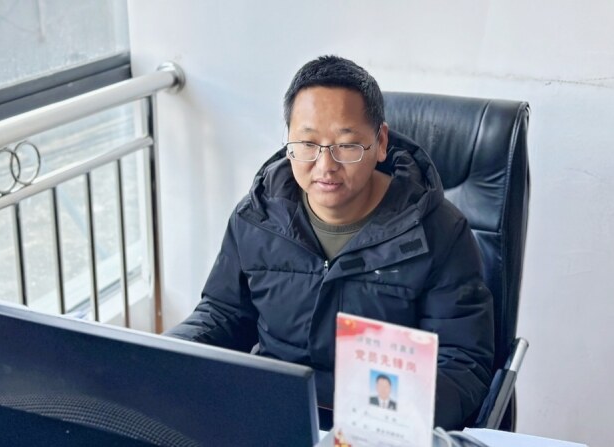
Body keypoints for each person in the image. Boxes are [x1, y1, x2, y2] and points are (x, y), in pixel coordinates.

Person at [166, 55, 494, 429]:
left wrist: (396, 419)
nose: (325, 166)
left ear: (380, 142)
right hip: (276, 417)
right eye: (307, 143)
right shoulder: (257, 217)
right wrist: (167, 354)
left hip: (381, 427)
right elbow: (224, 315)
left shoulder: (439, 232)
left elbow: (462, 361)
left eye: (347, 145)